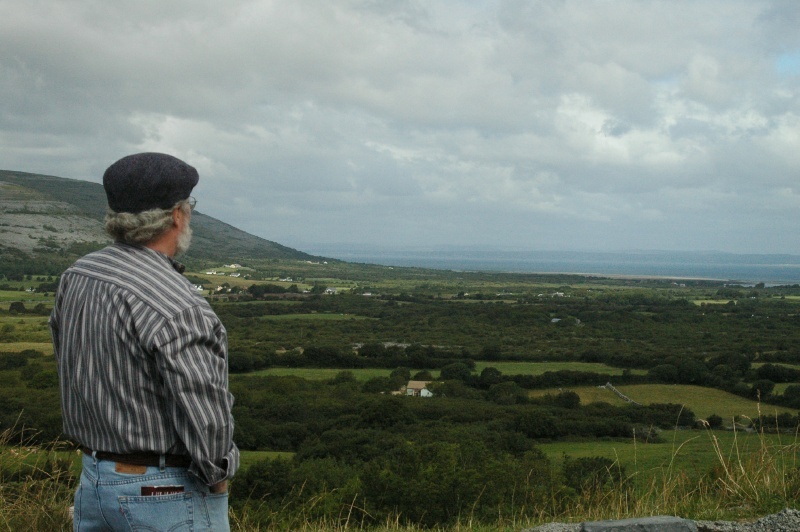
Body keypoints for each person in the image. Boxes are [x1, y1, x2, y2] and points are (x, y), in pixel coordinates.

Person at [50, 152, 239, 531]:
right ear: (176, 215)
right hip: (163, 492)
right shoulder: (178, 303)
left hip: (93, 480)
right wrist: (218, 475)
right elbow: (204, 409)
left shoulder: (79, 274)